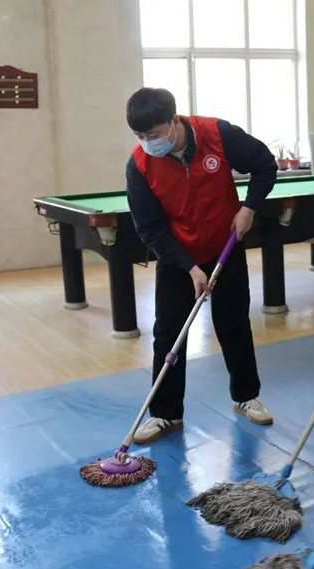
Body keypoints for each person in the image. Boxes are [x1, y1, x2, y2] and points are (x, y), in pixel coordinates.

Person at [124, 87, 277, 443]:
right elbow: (149, 228)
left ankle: (246, 396)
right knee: (168, 335)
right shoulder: (140, 164)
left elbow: (265, 165)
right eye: (139, 136)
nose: (147, 142)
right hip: (178, 257)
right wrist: (189, 267)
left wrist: (249, 208)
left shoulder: (217, 134)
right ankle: (165, 415)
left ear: (174, 121)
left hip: (225, 246)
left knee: (234, 324)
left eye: (153, 134)